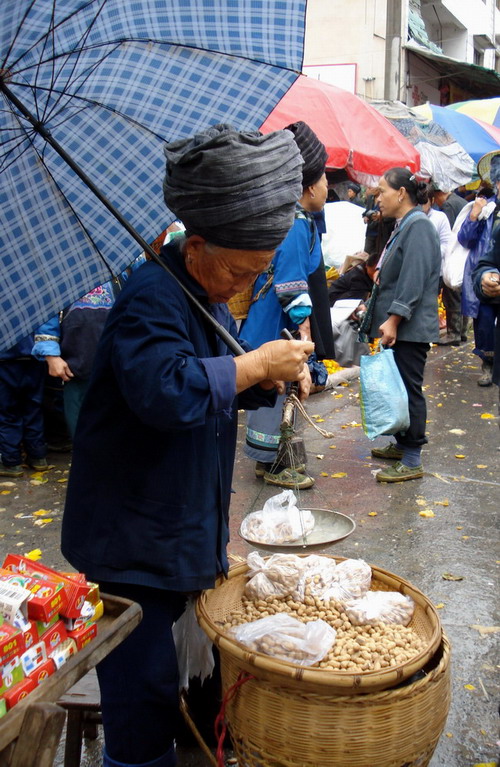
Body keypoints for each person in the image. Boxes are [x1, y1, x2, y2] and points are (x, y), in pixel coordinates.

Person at [61, 124, 313, 767]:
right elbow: (166, 391)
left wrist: (268, 378)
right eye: (238, 269)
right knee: (142, 697)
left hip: (180, 529)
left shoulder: (199, 292)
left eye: (256, 275)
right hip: (133, 542)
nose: (242, 285)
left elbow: (215, 382)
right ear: (195, 244)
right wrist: (254, 366)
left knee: (193, 676)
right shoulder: (151, 295)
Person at [239, 121, 335, 490]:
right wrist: (304, 335)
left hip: (272, 320)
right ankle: (276, 463)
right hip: (276, 323)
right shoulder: (294, 223)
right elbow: (292, 286)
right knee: (281, 388)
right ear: (310, 186)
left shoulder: (300, 219)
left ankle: (272, 462)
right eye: (325, 178)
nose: (328, 186)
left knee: (281, 389)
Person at [360, 168, 441, 482]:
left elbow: (414, 279)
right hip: (400, 325)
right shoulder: (402, 225)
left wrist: (393, 319)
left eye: (382, 191)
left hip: (409, 326)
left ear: (401, 193)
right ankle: (401, 444)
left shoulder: (418, 225)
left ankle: (412, 458)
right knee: (397, 387)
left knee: (409, 389)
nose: (378, 198)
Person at [458, 174, 498, 387]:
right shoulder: (486, 209)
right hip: (483, 273)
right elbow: (465, 239)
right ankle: (488, 364)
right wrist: (474, 215)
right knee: (484, 322)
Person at [472, 151, 500, 419]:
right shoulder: (490, 213)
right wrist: (485, 275)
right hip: (492, 294)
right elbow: (483, 259)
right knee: (483, 325)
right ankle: (487, 365)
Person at [0, 334, 48, 477]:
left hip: (4, 359)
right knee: (33, 408)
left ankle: (11, 461)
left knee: (7, 412)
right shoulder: (30, 311)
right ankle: (38, 455)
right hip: (34, 356)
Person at [433, 184, 468, 346]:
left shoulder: (448, 205)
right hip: (464, 254)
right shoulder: (460, 201)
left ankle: (453, 333)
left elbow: (448, 232)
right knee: (462, 294)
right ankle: (462, 332)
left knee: (451, 294)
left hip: (454, 254)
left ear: (439, 194)